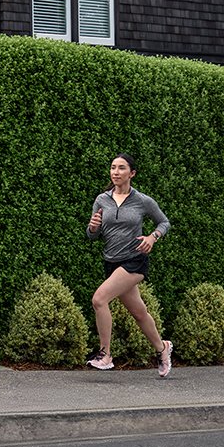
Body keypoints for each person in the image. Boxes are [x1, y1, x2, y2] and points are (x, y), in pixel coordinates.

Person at [86, 153, 173, 377]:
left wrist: (152, 237)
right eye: (113, 168)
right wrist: (93, 227)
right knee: (138, 312)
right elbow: (93, 235)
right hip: (111, 261)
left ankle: (105, 355)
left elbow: (164, 222)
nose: (115, 172)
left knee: (99, 299)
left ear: (131, 173)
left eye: (121, 168)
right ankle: (162, 348)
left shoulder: (142, 201)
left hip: (134, 260)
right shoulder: (101, 200)